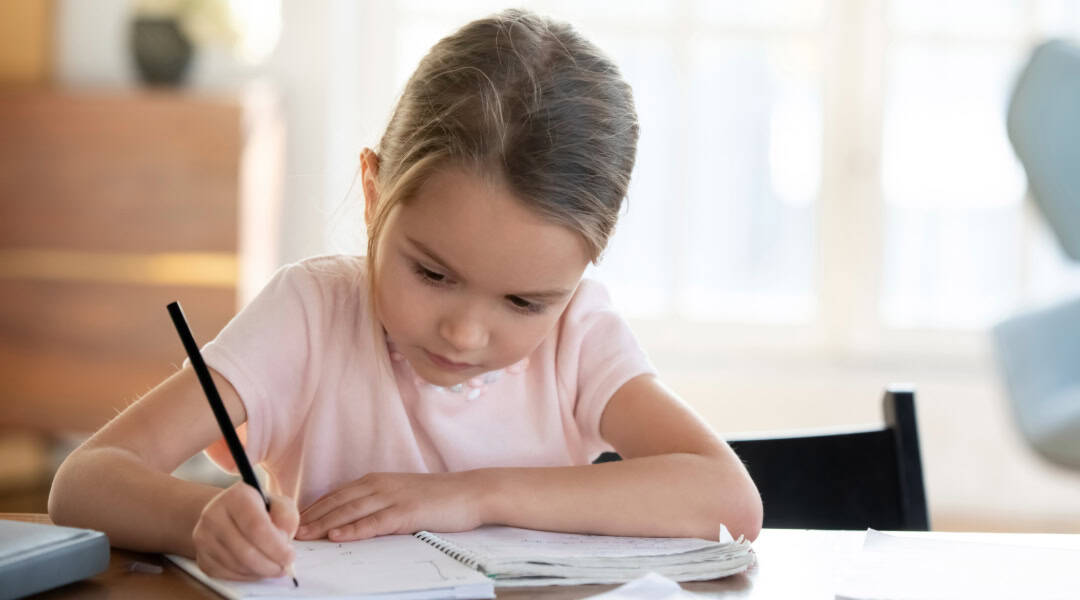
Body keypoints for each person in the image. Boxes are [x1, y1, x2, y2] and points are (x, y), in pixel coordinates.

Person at [49, 9, 762, 582]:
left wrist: (472, 495)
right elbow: (86, 481)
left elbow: (728, 498)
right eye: (432, 274)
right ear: (373, 192)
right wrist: (197, 518)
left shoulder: (580, 334)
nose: (464, 335)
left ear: (585, 268)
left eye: (523, 303)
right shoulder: (311, 314)